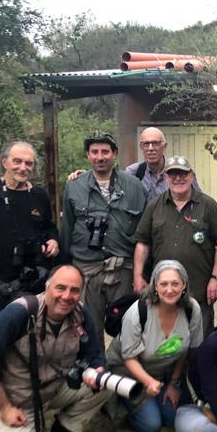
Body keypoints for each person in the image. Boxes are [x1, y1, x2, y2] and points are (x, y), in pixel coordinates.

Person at [0, 265, 112, 432]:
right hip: (15, 399)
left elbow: (94, 353)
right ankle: (1, 424)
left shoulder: (81, 314)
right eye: (60, 288)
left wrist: (97, 369)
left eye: (74, 290)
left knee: (107, 382)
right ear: (47, 287)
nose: (67, 296)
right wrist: (6, 408)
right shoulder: (19, 313)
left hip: (54, 389)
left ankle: (65, 429)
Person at [0, 140, 59, 432]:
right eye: (17, 161)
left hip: (33, 285)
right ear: (4, 161)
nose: (23, 167)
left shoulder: (37, 196)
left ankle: (33, 398)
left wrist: (53, 240)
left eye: (28, 163)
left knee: (33, 344)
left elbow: (49, 227)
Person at [59, 131, 147, 339]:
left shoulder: (134, 186)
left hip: (122, 268)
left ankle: (124, 360)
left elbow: (144, 233)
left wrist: (142, 272)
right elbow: (66, 228)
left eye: (105, 152)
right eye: (95, 152)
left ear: (114, 154)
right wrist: (63, 268)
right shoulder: (74, 186)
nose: (100, 157)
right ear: (88, 155)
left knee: (127, 327)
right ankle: (94, 360)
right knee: (87, 328)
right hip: (86, 268)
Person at [133, 155, 217, 336]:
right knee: (165, 342)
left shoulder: (208, 205)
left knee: (201, 343)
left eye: (183, 174)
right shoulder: (154, 206)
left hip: (199, 291)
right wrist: (138, 276)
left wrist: (216, 278)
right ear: (165, 177)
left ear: (192, 176)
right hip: (165, 293)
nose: (178, 178)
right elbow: (142, 243)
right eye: (173, 174)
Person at [105, 260, 203, 432]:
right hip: (128, 370)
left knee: (171, 417)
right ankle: (118, 400)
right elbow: (129, 358)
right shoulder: (138, 312)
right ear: (155, 286)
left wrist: (173, 383)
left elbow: (185, 349)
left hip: (159, 373)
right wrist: (148, 382)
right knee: (151, 424)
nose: (169, 290)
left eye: (175, 284)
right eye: (163, 284)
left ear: (184, 286)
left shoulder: (191, 309)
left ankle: (151, 396)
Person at [67, 126, 201, 198]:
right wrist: (86, 175)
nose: (150, 148)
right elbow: (108, 181)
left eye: (155, 143)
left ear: (164, 146)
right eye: (146, 144)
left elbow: (199, 200)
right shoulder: (134, 172)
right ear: (141, 147)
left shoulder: (179, 172)